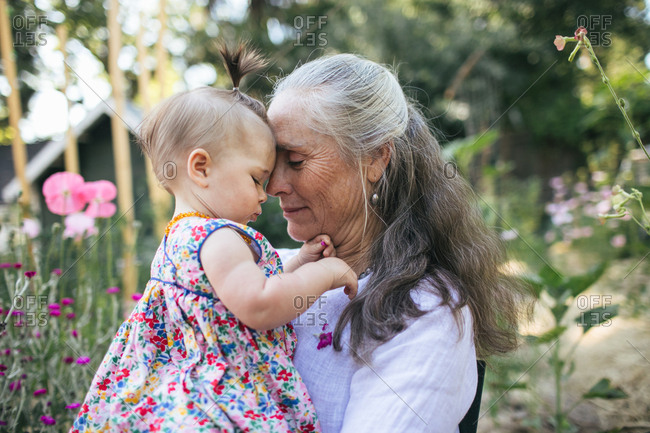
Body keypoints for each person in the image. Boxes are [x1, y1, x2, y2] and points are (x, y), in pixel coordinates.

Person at [71, 44, 357, 433]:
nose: (265, 193)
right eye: (256, 178)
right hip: (218, 397)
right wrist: (329, 274)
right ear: (201, 167)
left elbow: (232, 299)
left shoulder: (181, 236)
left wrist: (300, 264)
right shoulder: (218, 237)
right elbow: (258, 306)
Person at [266, 53, 525, 433]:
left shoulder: (425, 312)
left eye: (296, 160)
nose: (273, 185)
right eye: (271, 162)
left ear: (375, 157)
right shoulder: (266, 270)